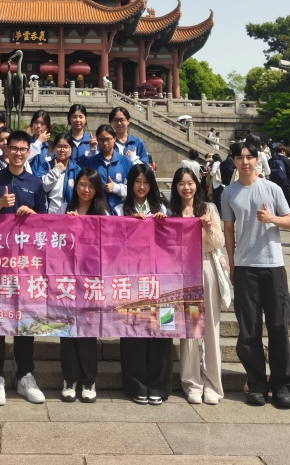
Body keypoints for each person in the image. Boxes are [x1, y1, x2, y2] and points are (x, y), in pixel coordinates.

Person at [221, 135, 290, 409]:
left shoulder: (272, 188)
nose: (244, 161)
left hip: (273, 265)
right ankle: (256, 384)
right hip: (245, 266)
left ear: (256, 159)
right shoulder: (228, 193)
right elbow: (228, 231)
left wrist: (271, 218)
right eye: (239, 157)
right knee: (249, 329)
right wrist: (231, 265)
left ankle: (282, 385)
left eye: (249, 157)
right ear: (233, 160)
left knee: (278, 325)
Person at [0, 130, 47, 406]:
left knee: (25, 318)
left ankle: (25, 374)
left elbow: (45, 223)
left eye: (22, 149)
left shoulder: (35, 182)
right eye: (13, 148)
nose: (18, 153)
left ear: (29, 152)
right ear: (5, 150)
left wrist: (33, 215)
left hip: (26, 262)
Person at [170, 167, 225, 405]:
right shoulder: (171, 212)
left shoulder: (208, 209)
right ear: (176, 187)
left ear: (197, 184)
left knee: (211, 327)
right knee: (189, 328)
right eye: (181, 183)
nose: (186, 188)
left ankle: (212, 384)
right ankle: (192, 382)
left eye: (190, 183)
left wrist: (208, 228)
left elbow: (219, 243)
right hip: (182, 272)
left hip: (205, 266)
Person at [118, 163, 171, 404]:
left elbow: (174, 241)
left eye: (146, 182)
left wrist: (163, 224)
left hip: (161, 278)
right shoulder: (119, 209)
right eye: (137, 182)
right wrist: (129, 225)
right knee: (134, 331)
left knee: (162, 329)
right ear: (130, 184)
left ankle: (159, 384)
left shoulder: (163, 209)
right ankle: (136, 384)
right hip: (131, 278)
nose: (141, 187)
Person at [60, 168, 109, 403]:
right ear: (75, 185)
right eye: (82, 184)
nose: (86, 190)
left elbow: (111, 245)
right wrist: (65, 225)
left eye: (91, 186)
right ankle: (69, 379)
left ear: (97, 189)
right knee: (67, 330)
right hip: (68, 279)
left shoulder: (103, 213)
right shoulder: (65, 209)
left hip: (91, 280)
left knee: (88, 331)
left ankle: (89, 380)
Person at [79, 124, 132, 215]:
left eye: (108, 139)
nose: (105, 143)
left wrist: (116, 187)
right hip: (97, 211)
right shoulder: (91, 162)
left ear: (114, 138)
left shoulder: (125, 162)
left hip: (120, 212)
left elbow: (133, 190)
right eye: (101, 139)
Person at [39, 134, 80, 213]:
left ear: (71, 150)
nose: (62, 150)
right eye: (59, 146)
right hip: (49, 213)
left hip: (69, 213)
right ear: (54, 149)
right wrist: (56, 170)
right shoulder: (46, 166)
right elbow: (42, 188)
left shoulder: (76, 170)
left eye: (66, 147)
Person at [269, 146, 290, 216]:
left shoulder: (271, 160)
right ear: (282, 151)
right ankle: (289, 220)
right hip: (285, 184)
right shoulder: (285, 159)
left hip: (273, 184)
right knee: (288, 204)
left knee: (275, 204)